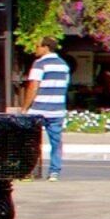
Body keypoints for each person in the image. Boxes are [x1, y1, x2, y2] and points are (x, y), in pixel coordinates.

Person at [21, 43, 70, 178]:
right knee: (56, 142)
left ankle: (29, 170)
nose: (34, 49)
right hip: (57, 109)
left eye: (37, 46)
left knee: (30, 141)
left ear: (46, 47)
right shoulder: (63, 65)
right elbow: (65, 87)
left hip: (39, 109)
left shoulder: (39, 64)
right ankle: (54, 171)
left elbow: (33, 87)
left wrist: (25, 107)